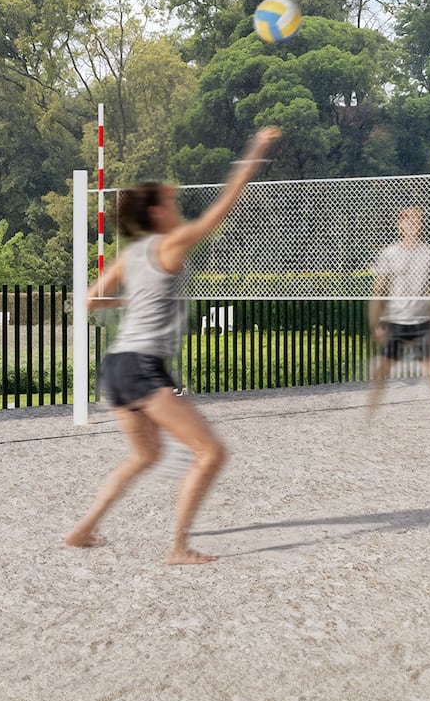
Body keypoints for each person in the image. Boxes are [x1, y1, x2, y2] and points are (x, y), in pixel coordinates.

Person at [64, 127, 281, 565]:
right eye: (172, 202)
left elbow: (90, 300)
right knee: (211, 452)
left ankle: (83, 530)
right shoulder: (171, 242)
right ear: (158, 214)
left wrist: (135, 298)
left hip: (117, 365)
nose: (177, 208)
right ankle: (179, 547)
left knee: (147, 454)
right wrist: (255, 150)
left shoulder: (131, 253)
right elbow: (222, 209)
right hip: (143, 367)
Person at [366, 206, 430, 435]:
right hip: (396, 321)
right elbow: (379, 289)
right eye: (408, 221)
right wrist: (377, 323)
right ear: (400, 225)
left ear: (421, 225)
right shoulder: (389, 254)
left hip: (422, 322)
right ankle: (368, 417)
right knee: (382, 372)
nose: (413, 225)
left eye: (417, 221)